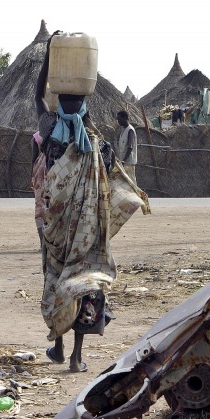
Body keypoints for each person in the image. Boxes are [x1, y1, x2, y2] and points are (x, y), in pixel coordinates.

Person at [35, 32, 149, 373]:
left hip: (53, 228)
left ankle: (58, 345)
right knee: (85, 281)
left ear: (57, 95)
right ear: (86, 103)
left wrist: (47, 64)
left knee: (56, 278)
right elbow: (110, 188)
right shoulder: (98, 143)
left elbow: (36, 96)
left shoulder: (47, 125)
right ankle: (76, 356)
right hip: (86, 231)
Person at [116, 110, 138, 184]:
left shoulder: (130, 130)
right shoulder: (123, 129)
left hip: (129, 162)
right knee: (126, 183)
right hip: (124, 161)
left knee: (131, 182)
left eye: (119, 119)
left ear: (125, 118)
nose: (118, 121)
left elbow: (130, 147)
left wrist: (124, 160)